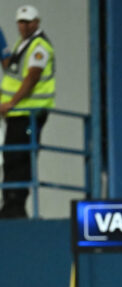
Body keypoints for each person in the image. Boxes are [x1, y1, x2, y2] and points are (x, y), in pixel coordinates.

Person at [0, 5, 55, 218]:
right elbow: (12, 69)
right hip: (18, 114)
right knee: (12, 157)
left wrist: (11, 102)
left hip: (29, 113)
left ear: (37, 22)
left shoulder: (39, 46)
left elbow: (32, 77)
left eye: (28, 22)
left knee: (21, 159)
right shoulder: (23, 44)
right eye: (20, 22)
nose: (23, 26)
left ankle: (15, 206)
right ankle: (10, 205)